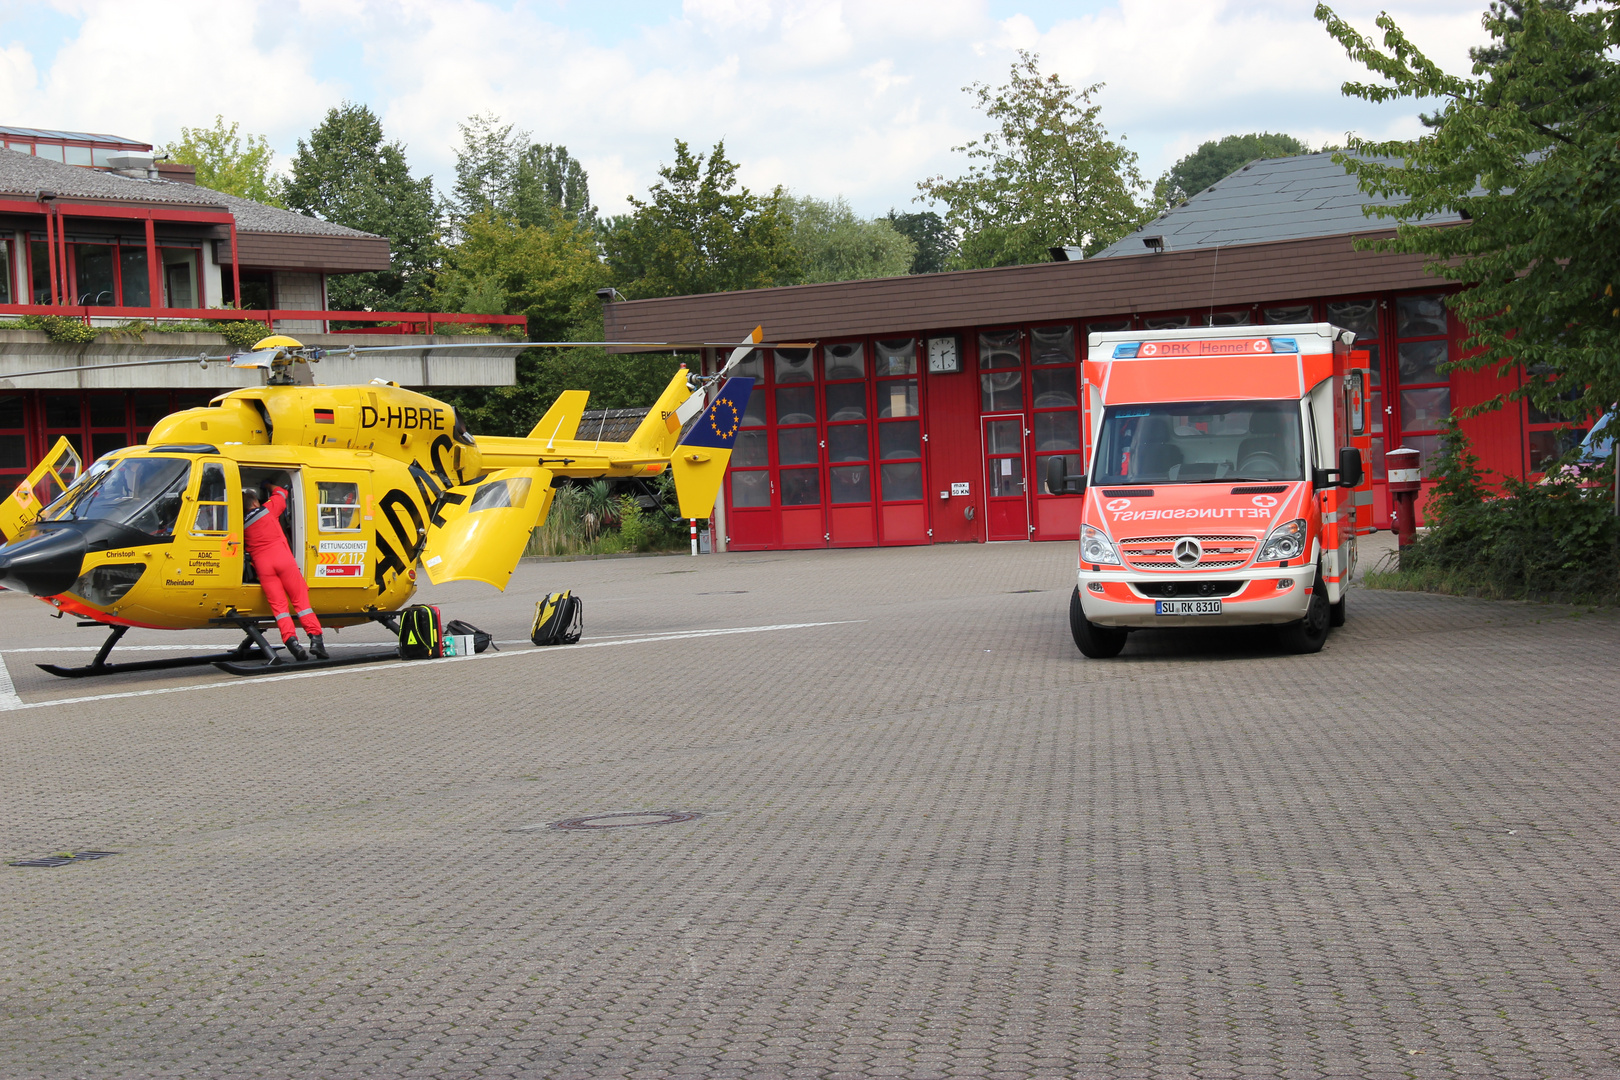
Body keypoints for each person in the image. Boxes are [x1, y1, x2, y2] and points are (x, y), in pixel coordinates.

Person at [243, 480, 327, 661]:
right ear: (256, 502)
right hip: (283, 560)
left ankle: (293, 644)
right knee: (301, 602)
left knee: (279, 608)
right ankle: (316, 641)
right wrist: (267, 485)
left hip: (263, 566)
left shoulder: (240, 525)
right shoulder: (267, 510)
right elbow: (281, 492)